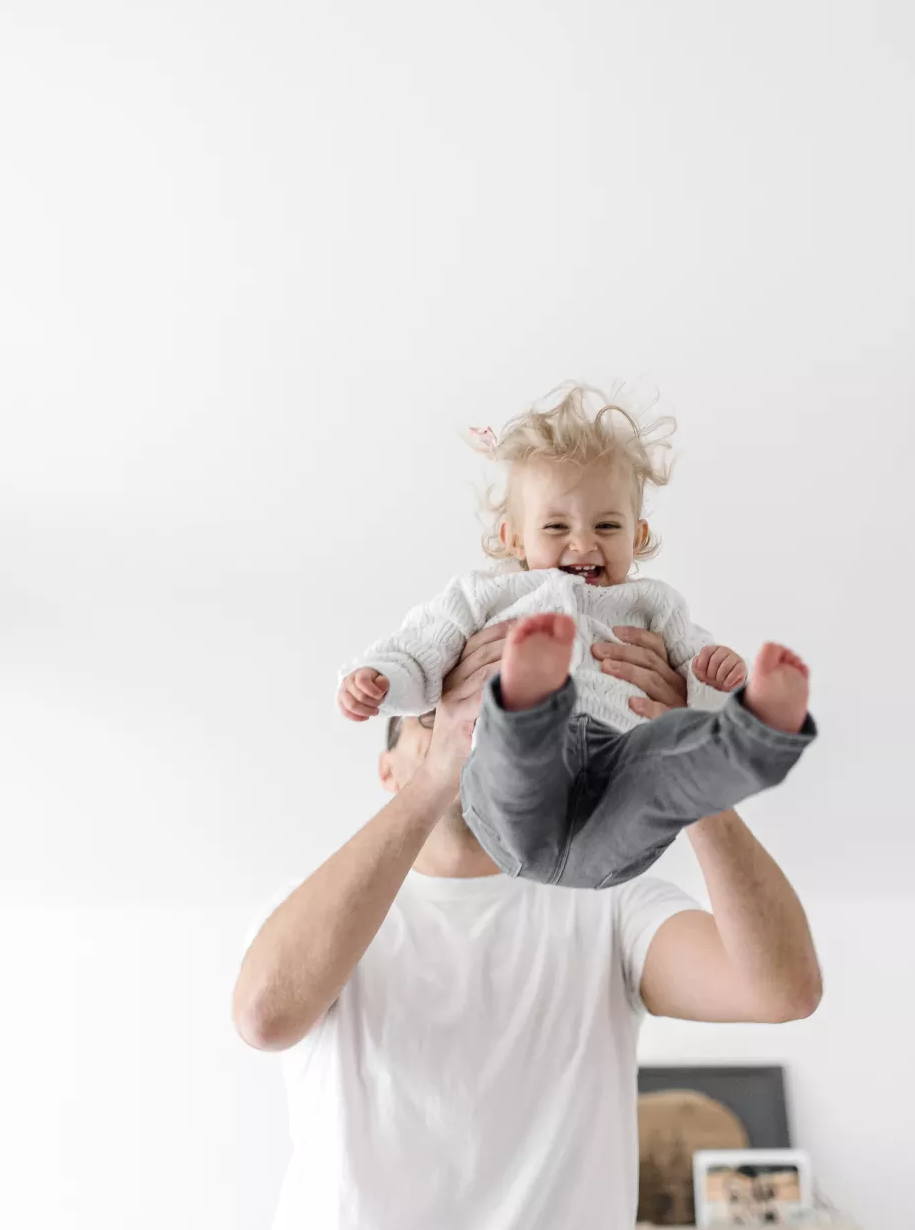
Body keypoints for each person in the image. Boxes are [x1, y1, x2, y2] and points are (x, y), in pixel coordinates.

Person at [233, 621, 823, 1230]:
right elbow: (264, 1016)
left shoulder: (609, 904)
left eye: (490, 710)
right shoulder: (322, 910)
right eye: (434, 717)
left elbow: (782, 989)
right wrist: (438, 775)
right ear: (388, 770)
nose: (472, 727)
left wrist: (687, 762)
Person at [338, 384, 816, 887]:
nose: (583, 541)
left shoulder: (656, 605)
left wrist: (719, 682)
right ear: (514, 538)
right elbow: (422, 649)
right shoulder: (487, 596)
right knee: (514, 763)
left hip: (621, 782)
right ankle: (527, 707)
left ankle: (755, 737)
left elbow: (696, 673)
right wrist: (381, 679)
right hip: (517, 814)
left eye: (607, 525)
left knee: (671, 772)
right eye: (556, 526)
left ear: (638, 536)